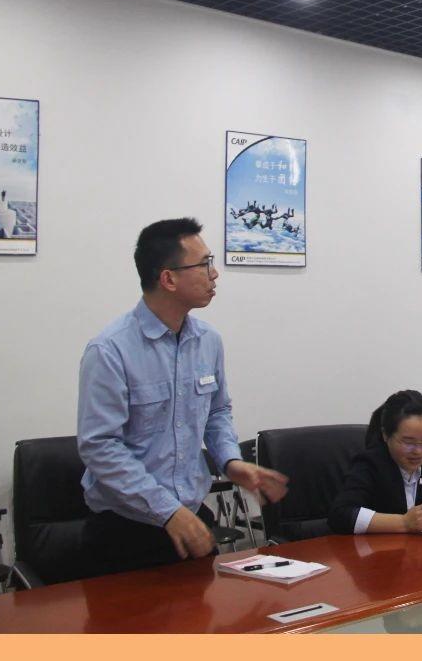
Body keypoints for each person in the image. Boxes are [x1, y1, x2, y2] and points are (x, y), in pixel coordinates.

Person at [77, 217, 289, 576]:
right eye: (204, 264)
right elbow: (100, 446)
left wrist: (230, 461)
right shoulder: (110, 350)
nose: (214, 274)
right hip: (126, 530)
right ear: (168, 279)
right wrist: (167, 511)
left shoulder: (208, 341)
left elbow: (217, 411)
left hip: (191, 521)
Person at [328, 390, 422, 534]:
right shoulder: (370, 463)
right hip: (379, 549)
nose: (418, 451)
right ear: (386, 435)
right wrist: (404, 522)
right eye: (408, 442)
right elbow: (341, 515)